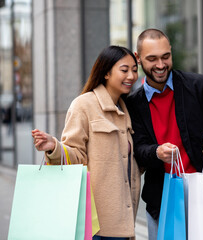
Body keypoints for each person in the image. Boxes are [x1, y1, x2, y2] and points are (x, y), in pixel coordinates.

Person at [125, 29, 203, 240]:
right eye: (152, 59)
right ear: (138, 59)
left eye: (165, 56)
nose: (160, 65)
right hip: (162, 201)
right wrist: (156, 152)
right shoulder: (133, 104)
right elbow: (137, 149)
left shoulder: (199, 85)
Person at [32, 46, 141, 240]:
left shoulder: (126, 109)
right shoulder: (83, 105)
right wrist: (54, 147)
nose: (131, 76)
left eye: (134, 69)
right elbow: (76, 156)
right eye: (124, 70)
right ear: (106, 72)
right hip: (94, 222)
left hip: (124, 219)